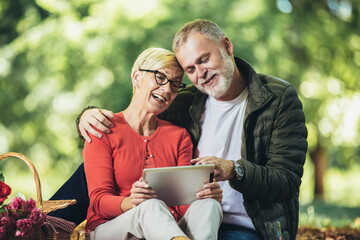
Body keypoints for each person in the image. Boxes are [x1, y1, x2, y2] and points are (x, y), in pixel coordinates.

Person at [51, 19, 308, 240]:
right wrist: (86, 116)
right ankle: (47, 222)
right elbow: (129, 127)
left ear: (227, 47)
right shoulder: (185, 100)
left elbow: (286, 181)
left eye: (204, 59)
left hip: (243, 226)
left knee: (204, 206)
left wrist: (234, 170)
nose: (200, 74)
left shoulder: (277, 98)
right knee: (152, 207)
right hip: (170, 227)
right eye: (190, 70)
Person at [78, 47, 223, 240]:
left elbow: (182, 203)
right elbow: (99, 201)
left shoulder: (179, 136)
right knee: (150, 205)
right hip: (109, 229)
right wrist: (131, 202)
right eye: (160, 77)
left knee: (209, 206)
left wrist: (203, 194)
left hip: (165, 228)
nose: (167, 90)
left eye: (175, 85)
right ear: (137, 77)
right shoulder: (103, 129)